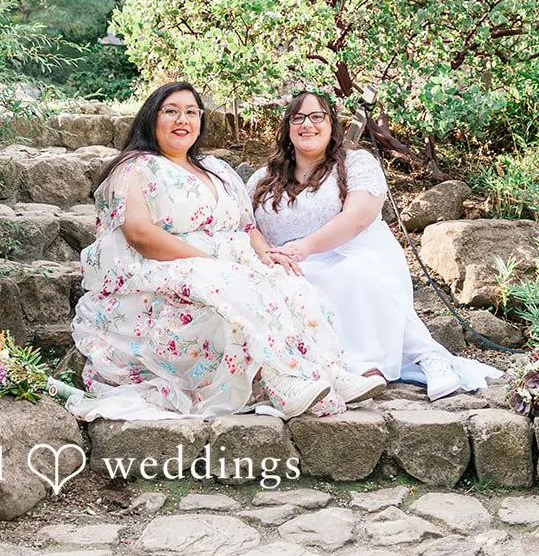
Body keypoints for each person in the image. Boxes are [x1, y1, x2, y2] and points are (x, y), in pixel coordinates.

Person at [70, 81, 385, 419]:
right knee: (230, 284)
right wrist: (209, 262)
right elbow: (140, 233)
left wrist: (265, 255)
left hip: (222, 263)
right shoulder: (136, 167)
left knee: (284, 279)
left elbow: (246, 227)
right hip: (164, 267)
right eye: (172, 111)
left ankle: (324, 368)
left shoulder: (216, 169)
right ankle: (279, 379)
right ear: (152, 118)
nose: (183, 120)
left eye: (191, 112)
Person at [248, 88, 500, 400]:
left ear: (331, 125)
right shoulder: (262, 178)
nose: (307, 125)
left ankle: (367, 367)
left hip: (351, 251)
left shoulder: (356, 163)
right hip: (284, 263)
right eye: (298, 118)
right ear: (287, 128)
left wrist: (306, 247)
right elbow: (243, 225)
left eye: (316, 117)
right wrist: (268, 253)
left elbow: (357, 218)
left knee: (353, 274)